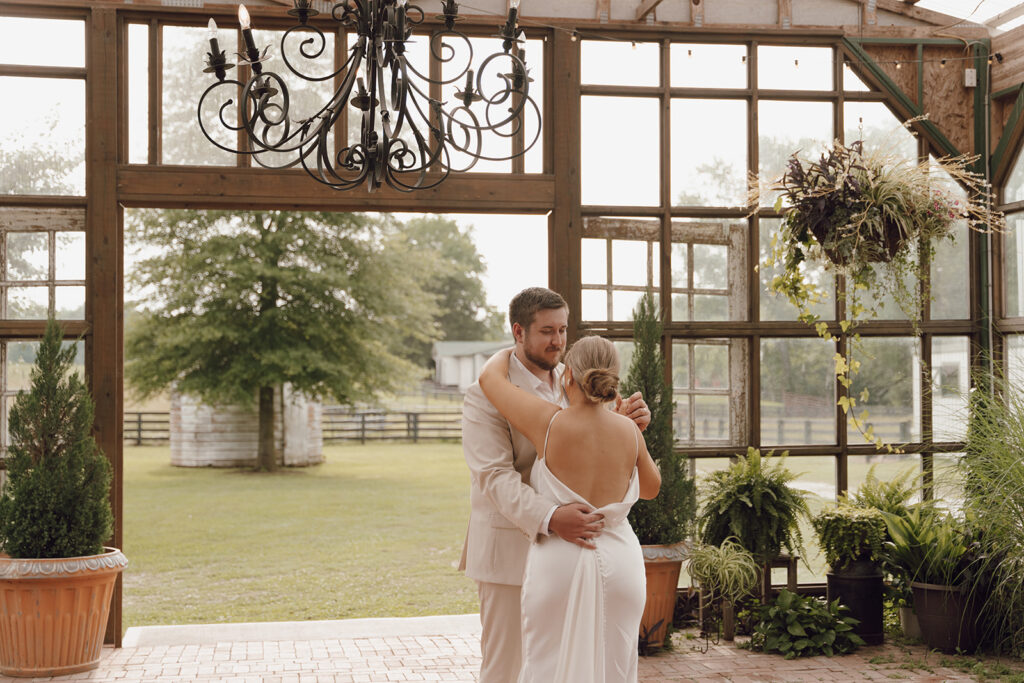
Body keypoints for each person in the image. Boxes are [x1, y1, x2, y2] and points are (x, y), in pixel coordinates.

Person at [459, 287, 650, 683]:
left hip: (583, 554)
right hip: (511, 547)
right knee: (507, 668)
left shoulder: (579, 378)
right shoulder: (485, 394)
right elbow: (493, 475)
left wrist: (631, 423)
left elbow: (599, 441)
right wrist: (550, 517)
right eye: (547, 331)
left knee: (577, 666)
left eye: (563, 330)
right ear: (518, 332)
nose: (558, 341)